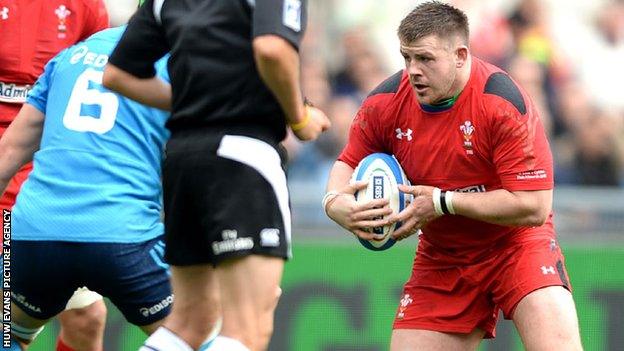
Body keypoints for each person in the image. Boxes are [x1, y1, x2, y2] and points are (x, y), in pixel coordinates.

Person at [323, 2, 583, 350]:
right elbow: (347, 162)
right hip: (443, 256)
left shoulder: (501, 102)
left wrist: (442, 202)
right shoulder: (385, 102)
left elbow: (534, 206)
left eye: (426, 59)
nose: (413, 71)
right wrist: (333, 203)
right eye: (406, 57)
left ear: (460, 55)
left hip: (517, 245)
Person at [102, 0, 331, 350]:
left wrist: (200, 102)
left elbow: (118, 74)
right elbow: (271, 48)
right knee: (248, 329)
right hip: (242, 155)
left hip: (183, 158)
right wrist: (298, 117)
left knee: (188, 325)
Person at [0, 26, 173, 350]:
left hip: (33, 233)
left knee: (9, 330)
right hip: (124, 237)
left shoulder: (68, 57)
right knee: (195, 333)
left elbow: (7, 155)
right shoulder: (183, 63)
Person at [0, 1, 110, 350]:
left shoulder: (88, 7)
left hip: (48, 178)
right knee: (6, 319)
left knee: (87, 318)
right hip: (4, 172)